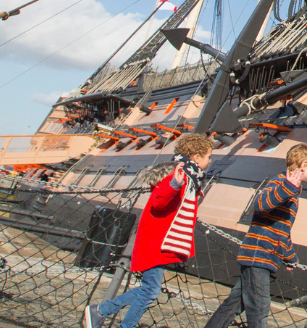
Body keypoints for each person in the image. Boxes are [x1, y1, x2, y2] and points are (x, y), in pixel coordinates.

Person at [84, 133, 213, 328]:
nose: (210, 161)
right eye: (208, 156)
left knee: (149, 289)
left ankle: (101, 312)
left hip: (161, 239)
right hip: (157, 240)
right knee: (150, 291)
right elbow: (159, 201)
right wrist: (174, 185)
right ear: (196, 157)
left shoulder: (189, 176)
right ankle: (106, 314)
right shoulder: (178, 175)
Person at [202, 142, 307, 328]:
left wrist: (290, 257)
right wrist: (288, 186)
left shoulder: (291, 193)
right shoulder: (279, 183)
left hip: (263, 257)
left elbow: (282, 230)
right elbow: (261, 204)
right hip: (259, 256)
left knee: (233, 305)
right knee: (259, 310)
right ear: (304, 165)